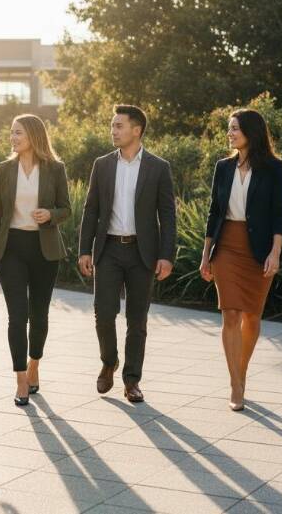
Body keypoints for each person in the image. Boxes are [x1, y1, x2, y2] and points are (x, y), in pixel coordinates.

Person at [78, 104, 177, 403]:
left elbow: (167, 215)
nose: (113, 131)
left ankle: (132, 380)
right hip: (108, 249)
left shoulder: (158, 167)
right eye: (112, 125)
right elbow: (91, 209)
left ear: (137, 130)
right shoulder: (102, 165)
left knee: (137, 319)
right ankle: (109, 361)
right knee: (103, 313)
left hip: (142, 253)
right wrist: (84, 249)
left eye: (119, 125)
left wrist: (166, 255)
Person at [200, 108, 282, 411]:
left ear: (251, 131)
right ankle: (235, 385)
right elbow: (214, 212)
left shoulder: (274, 168)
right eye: (230, 128)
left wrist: (275, 253)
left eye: (235, 128)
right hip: (226, 246)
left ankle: (242, 371)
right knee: (230, 315)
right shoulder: (223, 167)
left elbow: (280, 214)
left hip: (259, 250)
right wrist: (206, 254)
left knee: (251, 317)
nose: (230, 133)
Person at [0, 114, 71, 406]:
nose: (13, 137)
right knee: (17, 316)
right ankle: (21, 378)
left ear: (33, 135)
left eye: (18, 132)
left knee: (39, 314)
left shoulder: (55, 169)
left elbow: (66, 209)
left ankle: (34, 364)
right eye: (12, 132)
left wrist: (50, 215)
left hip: (44, 249)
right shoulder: (3, 169)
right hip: (11, 249)